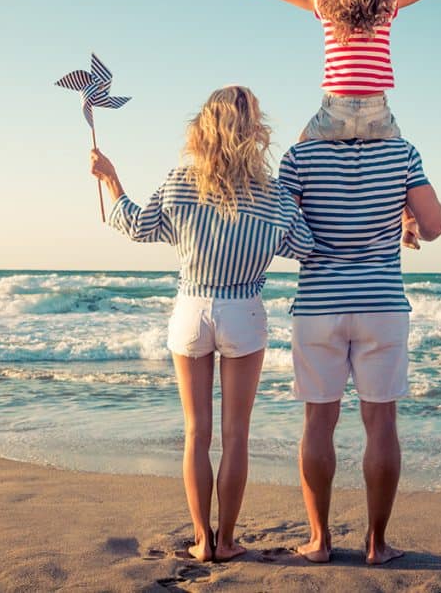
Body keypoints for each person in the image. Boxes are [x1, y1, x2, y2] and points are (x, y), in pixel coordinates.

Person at [89, 85, 314, 563]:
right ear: (254, 131)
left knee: (196, 433)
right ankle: (228, 540)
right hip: (244, 313)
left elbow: (139, 227)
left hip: (191, 309)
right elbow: (306, 245)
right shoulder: (272, 194)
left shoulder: (181, 181)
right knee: (236, 435)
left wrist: (111, 181)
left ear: (204, 128)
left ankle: (200, 540)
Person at [203, 0, 441, 249]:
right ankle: (408, 221)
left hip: (334, 112)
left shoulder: (323, 4)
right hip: (377, 113)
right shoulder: (388, 3)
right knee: (403, 172)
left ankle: (282, 226)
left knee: (299, 156)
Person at [278, 132, 441, 565]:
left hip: (318, 306)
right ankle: (377, 544)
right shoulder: (402, 152)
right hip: (380, 304)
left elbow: (283, 232)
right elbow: (435, 226)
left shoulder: (300, 155)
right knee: (381, 421)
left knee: (318, 421)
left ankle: (319, 542)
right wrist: (407, 213)